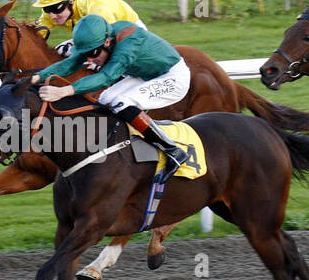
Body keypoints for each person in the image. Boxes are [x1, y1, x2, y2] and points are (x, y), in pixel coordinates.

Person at [32, 14, 191, 180]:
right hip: (146, 75)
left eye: (93, 54)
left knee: (122, 102)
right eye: (85, 54)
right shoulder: (99, 40)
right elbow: (70, 64)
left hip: (172, 77)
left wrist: (64, 91)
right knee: (105, 99)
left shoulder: (128, 43)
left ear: (107, 42)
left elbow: (106, 77)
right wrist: (36, 77)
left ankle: (172, 151)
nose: (90, 60)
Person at [32, 0, 146, 56]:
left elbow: (110, 41)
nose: (52, 16)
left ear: (71, 1)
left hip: (127, 33)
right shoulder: (55, 8)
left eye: (56, 9)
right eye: (47, 9)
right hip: (95, 35)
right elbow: (37, 35)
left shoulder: (95, 9)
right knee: (59, 51)